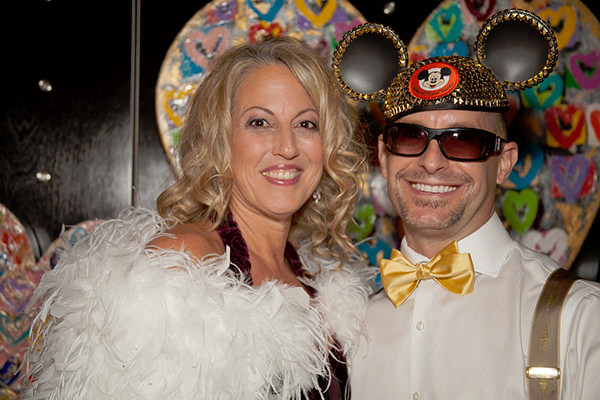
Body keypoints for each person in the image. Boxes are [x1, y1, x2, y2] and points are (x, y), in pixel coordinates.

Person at [22, 37, 371, 399]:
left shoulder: (313, 281)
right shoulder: (182, 262)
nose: (287, 146)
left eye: (306, 125)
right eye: (259, 122)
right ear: (221, 140)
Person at [332, 10, 600, 400]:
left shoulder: (579, 318)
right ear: (384, 157)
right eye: (409, 137)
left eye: (462, 140)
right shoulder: (350, 329)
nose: (432, 161)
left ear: (504, 163)